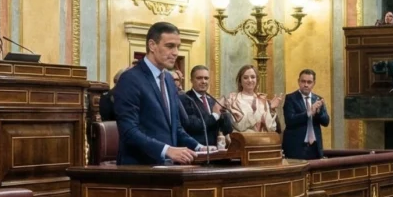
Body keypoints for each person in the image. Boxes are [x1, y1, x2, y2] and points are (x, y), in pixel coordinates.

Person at [115, 22, 203, 165]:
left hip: (167, 169)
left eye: (177, 47)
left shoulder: (168, 78)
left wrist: (199, 147)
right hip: (139, 169)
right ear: (152, 45)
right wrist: (166, 150)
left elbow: (175, 127)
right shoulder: (130, 79)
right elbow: (129, 131)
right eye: (169, 46)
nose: (175, 52)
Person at [180, 65, 234, 148]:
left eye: (206, 78)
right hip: (195, 151)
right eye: (199, 78)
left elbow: (227, 129)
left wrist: (225, 113)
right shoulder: (185, 99)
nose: (203, 81)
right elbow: (193, 126)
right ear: (191, 80)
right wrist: (215, 115)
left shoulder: (212, 101)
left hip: (214, 150)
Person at [282, 69, 329, 160]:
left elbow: (326, 122)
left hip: (314, 148)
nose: (306, 85)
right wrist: (308, 112)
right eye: (303, 81)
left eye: (309, 82)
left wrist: (318, 112)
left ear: (314, 83)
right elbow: (289, 120)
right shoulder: (290, 98)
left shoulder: (318, 99)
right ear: (298, 81)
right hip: (296, 148)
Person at [224, 65, 280, 133]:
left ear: (257, 80)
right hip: (242, 140)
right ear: (240, 81)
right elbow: (239, 126)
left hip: (262, 141)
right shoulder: (233, 99)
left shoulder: (262, 100)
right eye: (245, 77)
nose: (250, 80)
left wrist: (271, 109)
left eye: (253, 77)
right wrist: (256, 113)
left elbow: (271, 128)